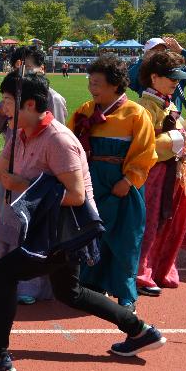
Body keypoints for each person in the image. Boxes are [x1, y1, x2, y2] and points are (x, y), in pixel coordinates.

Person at [0, 71, 167, 371]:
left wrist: (25, 185)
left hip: (65, 230)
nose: (3, 110)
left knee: (3, 272)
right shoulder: (18, 134)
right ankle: (140, 331)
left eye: (7, 102)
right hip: (49, 226)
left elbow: (77, 196)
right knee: (70, 292)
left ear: (29, 104)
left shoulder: (58, 140)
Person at [70, 54, 156, 311]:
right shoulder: (85, 111)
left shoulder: (136, 114)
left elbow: (145, 152)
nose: (91, 88)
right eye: (90, 82)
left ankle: (125, 294)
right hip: (91, 183)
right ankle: (90, 287)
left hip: (122, 187)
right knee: (90, 235)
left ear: (115, 85)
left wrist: (129, 180)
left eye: (97, 83)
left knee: (124, 238)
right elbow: (70, 144)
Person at [0, 45, 68, 303]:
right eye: (18, 67)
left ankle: (31, 286)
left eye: (29, 67)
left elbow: (59, 135)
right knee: (6, 221)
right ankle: (6, 277)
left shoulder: (52, 98)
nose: (23, 72)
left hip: (37, 173)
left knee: (31, 227)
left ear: (41, 69)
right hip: (9, 165)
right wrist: (5, 106)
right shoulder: (10, 97)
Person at [135, 51, 186, 296]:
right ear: (154, 77)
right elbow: (145, 144)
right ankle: (140, 272)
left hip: (173, 173)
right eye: (171, 77)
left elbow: (182, 143)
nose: (176, 82)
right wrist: (179, 135)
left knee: (169, 223)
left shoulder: (169, 103)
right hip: (154, 175)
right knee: (149, 222)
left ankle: (159, 268)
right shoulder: (144, 107)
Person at [129, 37, 186, 111]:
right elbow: (128, 79)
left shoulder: (177, 74)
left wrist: (181, 51)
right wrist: (143, 60)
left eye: (164, 50)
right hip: (150, 119)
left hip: (175, 120)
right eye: (156, 51)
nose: (161, 54)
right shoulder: (144, 75)